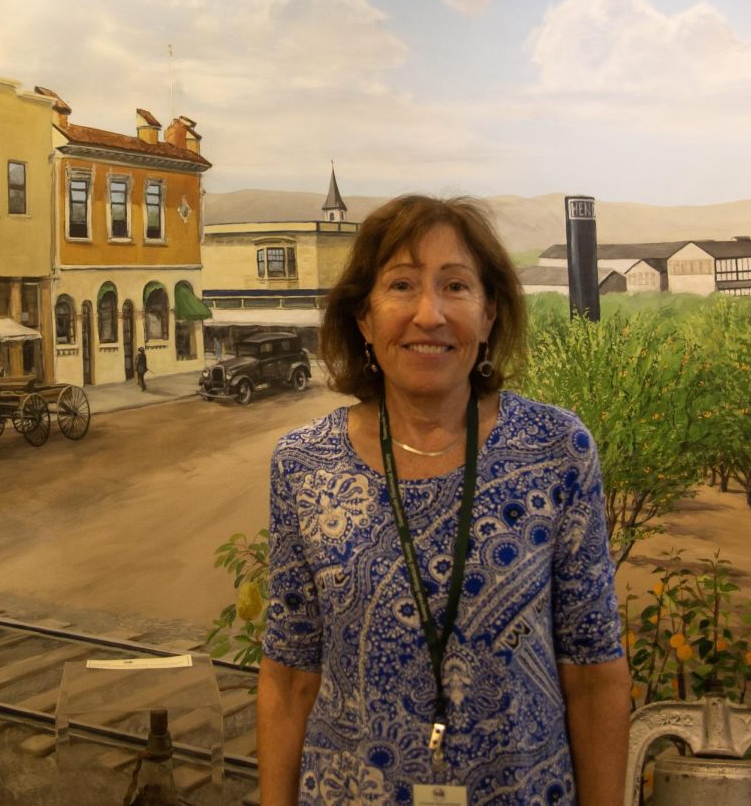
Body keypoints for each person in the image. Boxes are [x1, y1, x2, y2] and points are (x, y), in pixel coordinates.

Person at [257, 195, 630, 805]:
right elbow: (289, 675)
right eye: (401, 285)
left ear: (487, 318)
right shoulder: (304, 464)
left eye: (455, 286)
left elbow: (593, 674)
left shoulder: (556, 449)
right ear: (364, 319)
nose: (428, 314)